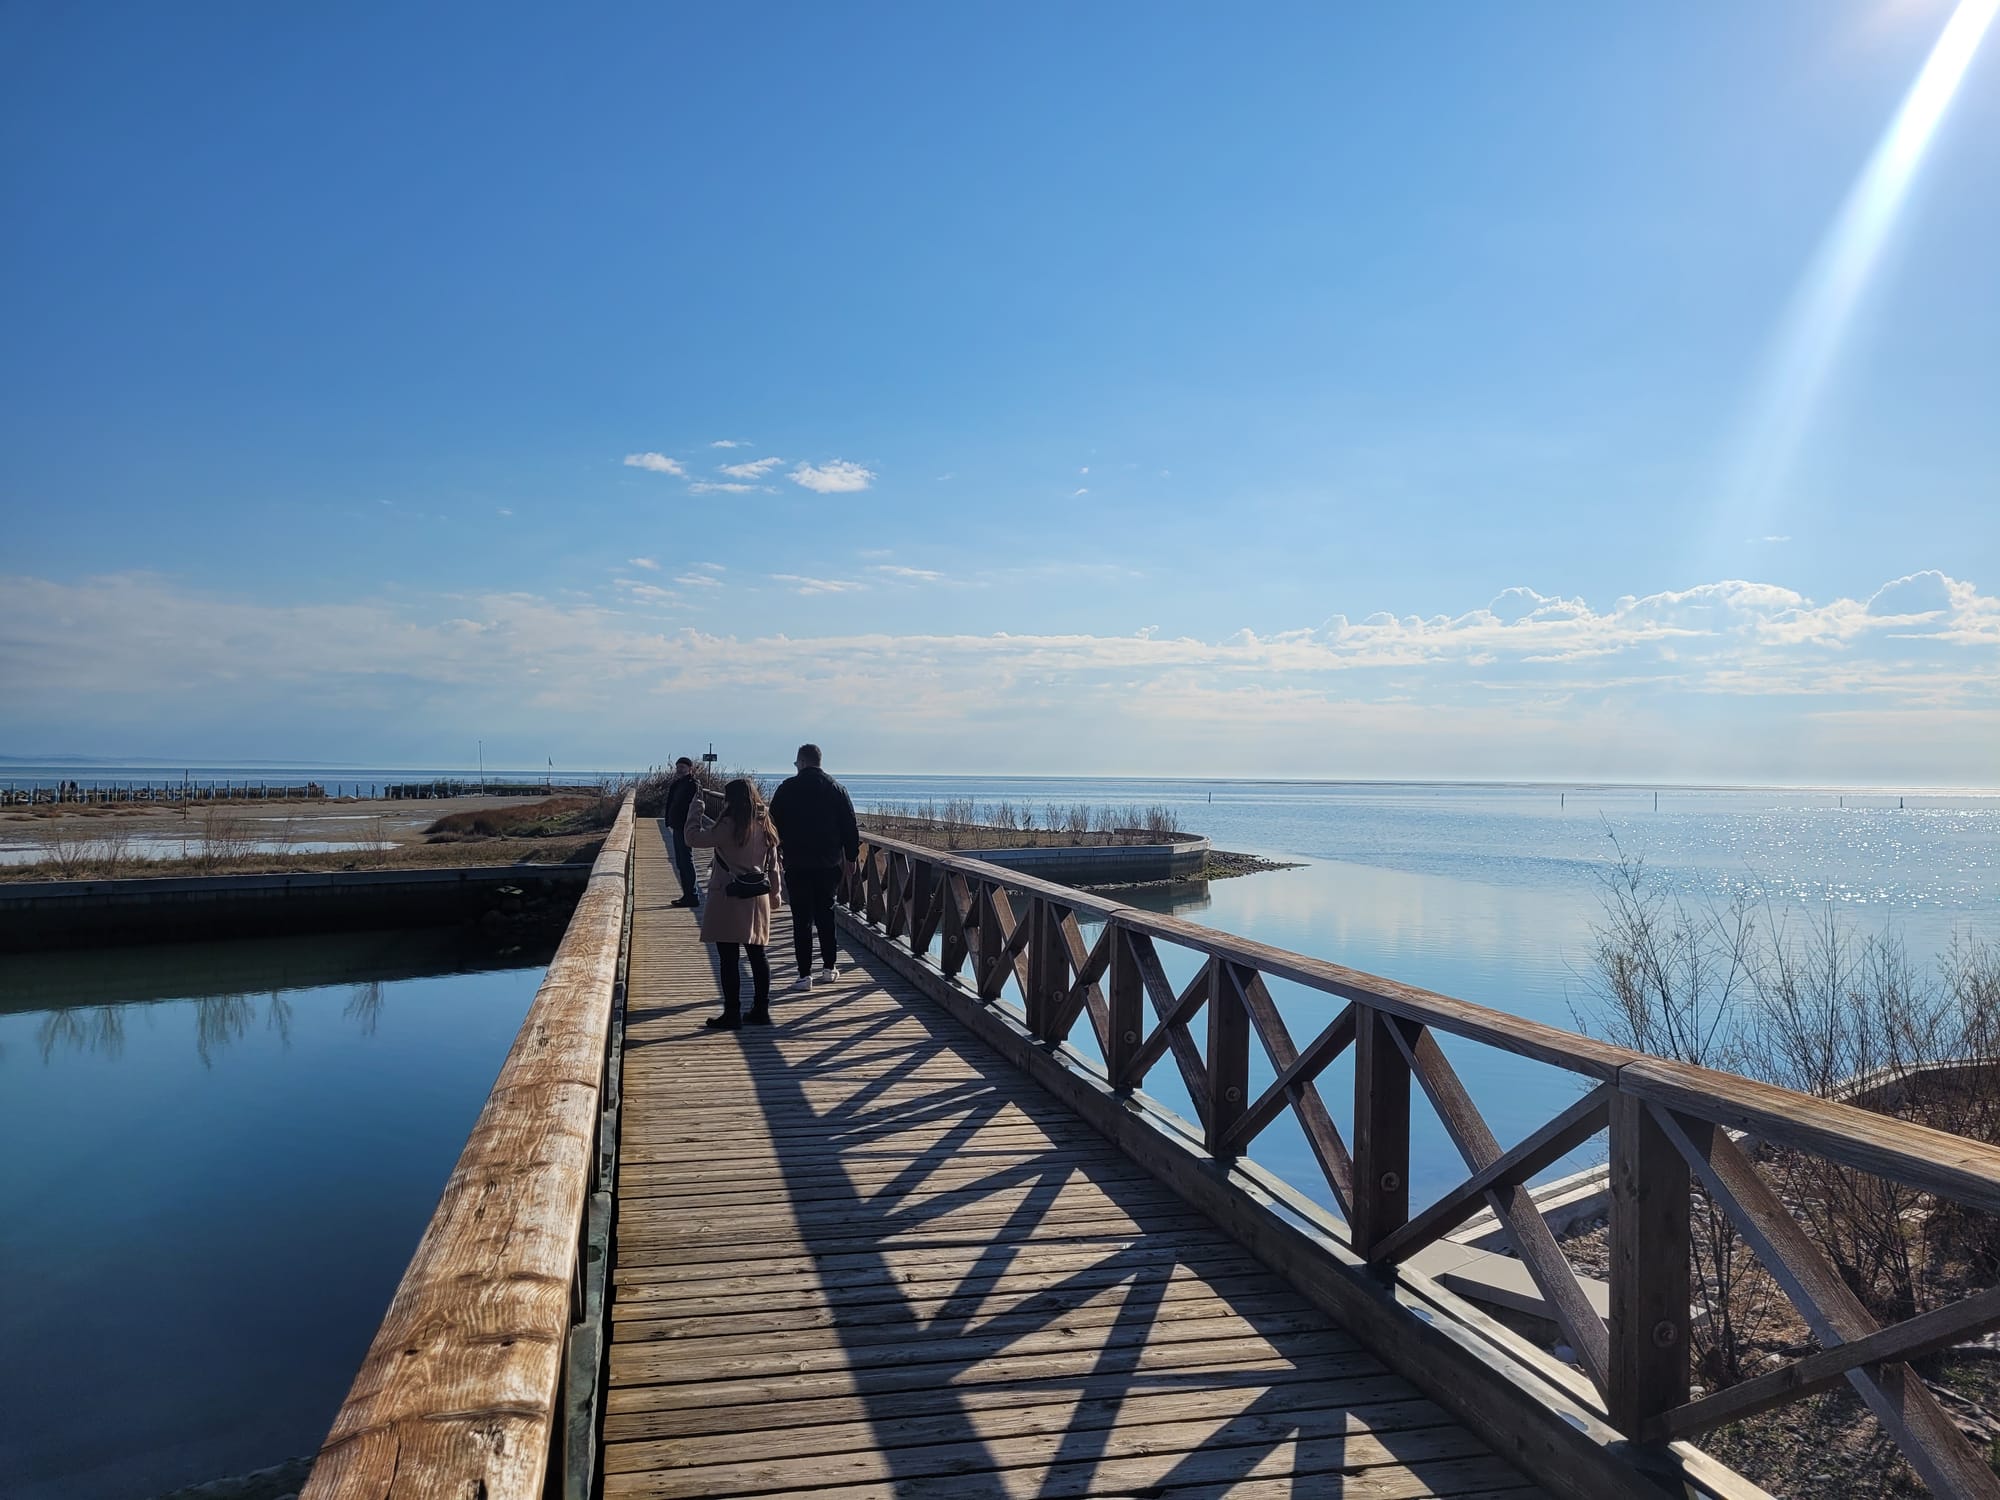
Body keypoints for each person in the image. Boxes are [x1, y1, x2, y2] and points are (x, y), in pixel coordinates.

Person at [684, 778, 783, 1029]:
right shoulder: (764, 822)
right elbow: (773, 863)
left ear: (730, 799)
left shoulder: (730, 824)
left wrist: (695, 810)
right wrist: (776, 893)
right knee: (758, 955)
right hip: (757, 897)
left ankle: (732, 1013)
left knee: (728, 958)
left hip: (730, 895)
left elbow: (693, 838)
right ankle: (761, 1009)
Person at [768, 743, 860, 991]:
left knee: (801, 919)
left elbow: (772, 823)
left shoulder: (787, 788)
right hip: (829, 863)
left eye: (796, 763)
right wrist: (851, 857)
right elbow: (850, 826)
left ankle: (804, 975)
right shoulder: (836, 788)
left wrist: (775, 853)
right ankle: (829, 968)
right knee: (826, 915)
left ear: (802, 762)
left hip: (797, 862)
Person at [662, 757, 702, 908]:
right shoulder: (677, 784)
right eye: (678, 767)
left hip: (686, 826)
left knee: (686, 860)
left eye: (683, 767)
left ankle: (692, 896)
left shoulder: (693, 784)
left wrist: (693, 824)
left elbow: (697, 806)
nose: (680, 769)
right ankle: (688, 894)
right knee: (681, 861)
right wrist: (668, 821)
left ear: (690, 768)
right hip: (677, 826)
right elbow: (671, 803)